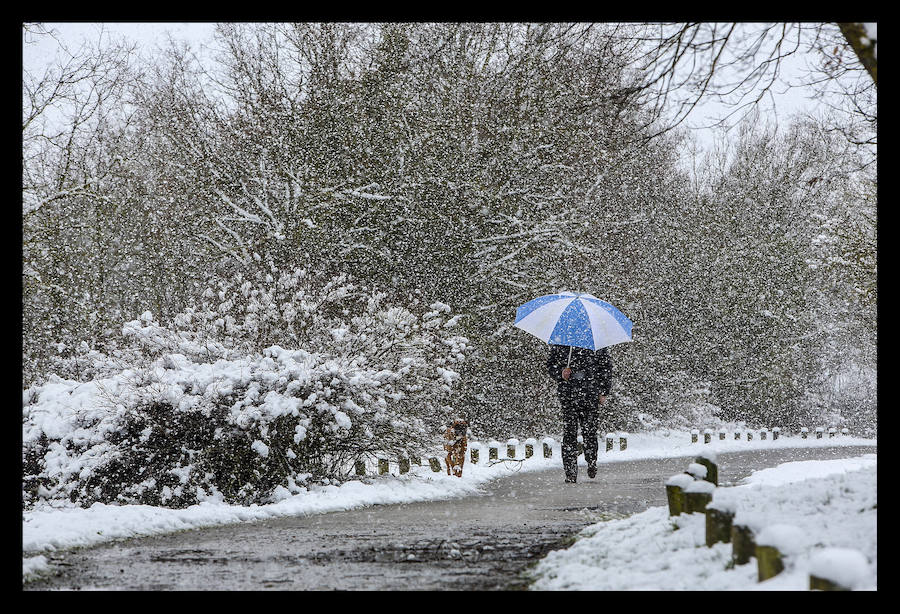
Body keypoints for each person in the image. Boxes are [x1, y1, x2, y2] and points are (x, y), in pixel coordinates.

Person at [546, 344, 612, 483]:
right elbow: (551, 365)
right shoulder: (562, 343)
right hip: (568, 395)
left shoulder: (596, 344)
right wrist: (561, 372)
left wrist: (603, 391)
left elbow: (605, 367)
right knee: (569, 433)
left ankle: (591, 460)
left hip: (590, 394)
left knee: (590, 432)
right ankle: (570, 471)